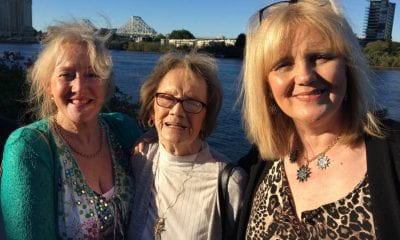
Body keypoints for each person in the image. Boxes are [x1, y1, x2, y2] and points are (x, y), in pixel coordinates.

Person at [237, 0, 400, 239]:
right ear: (267, 86)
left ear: (348, 67)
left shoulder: (394, 153)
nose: (304, 76)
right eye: (283, 64)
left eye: (320, 57)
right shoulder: (257, 165)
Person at [1, 21, 141, 239]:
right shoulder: (29, 148)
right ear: (49, 86)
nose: (79, 87)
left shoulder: (123, 129)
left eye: (92, 74)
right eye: (66, 75)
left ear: (106, 84)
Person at [128, 51, 247, 240]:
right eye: (167, 98)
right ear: (152, 109)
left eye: (192, 103)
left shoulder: (229, 184)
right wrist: (151, 134)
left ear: (206, 118)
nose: (176, 111)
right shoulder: (140, 158)